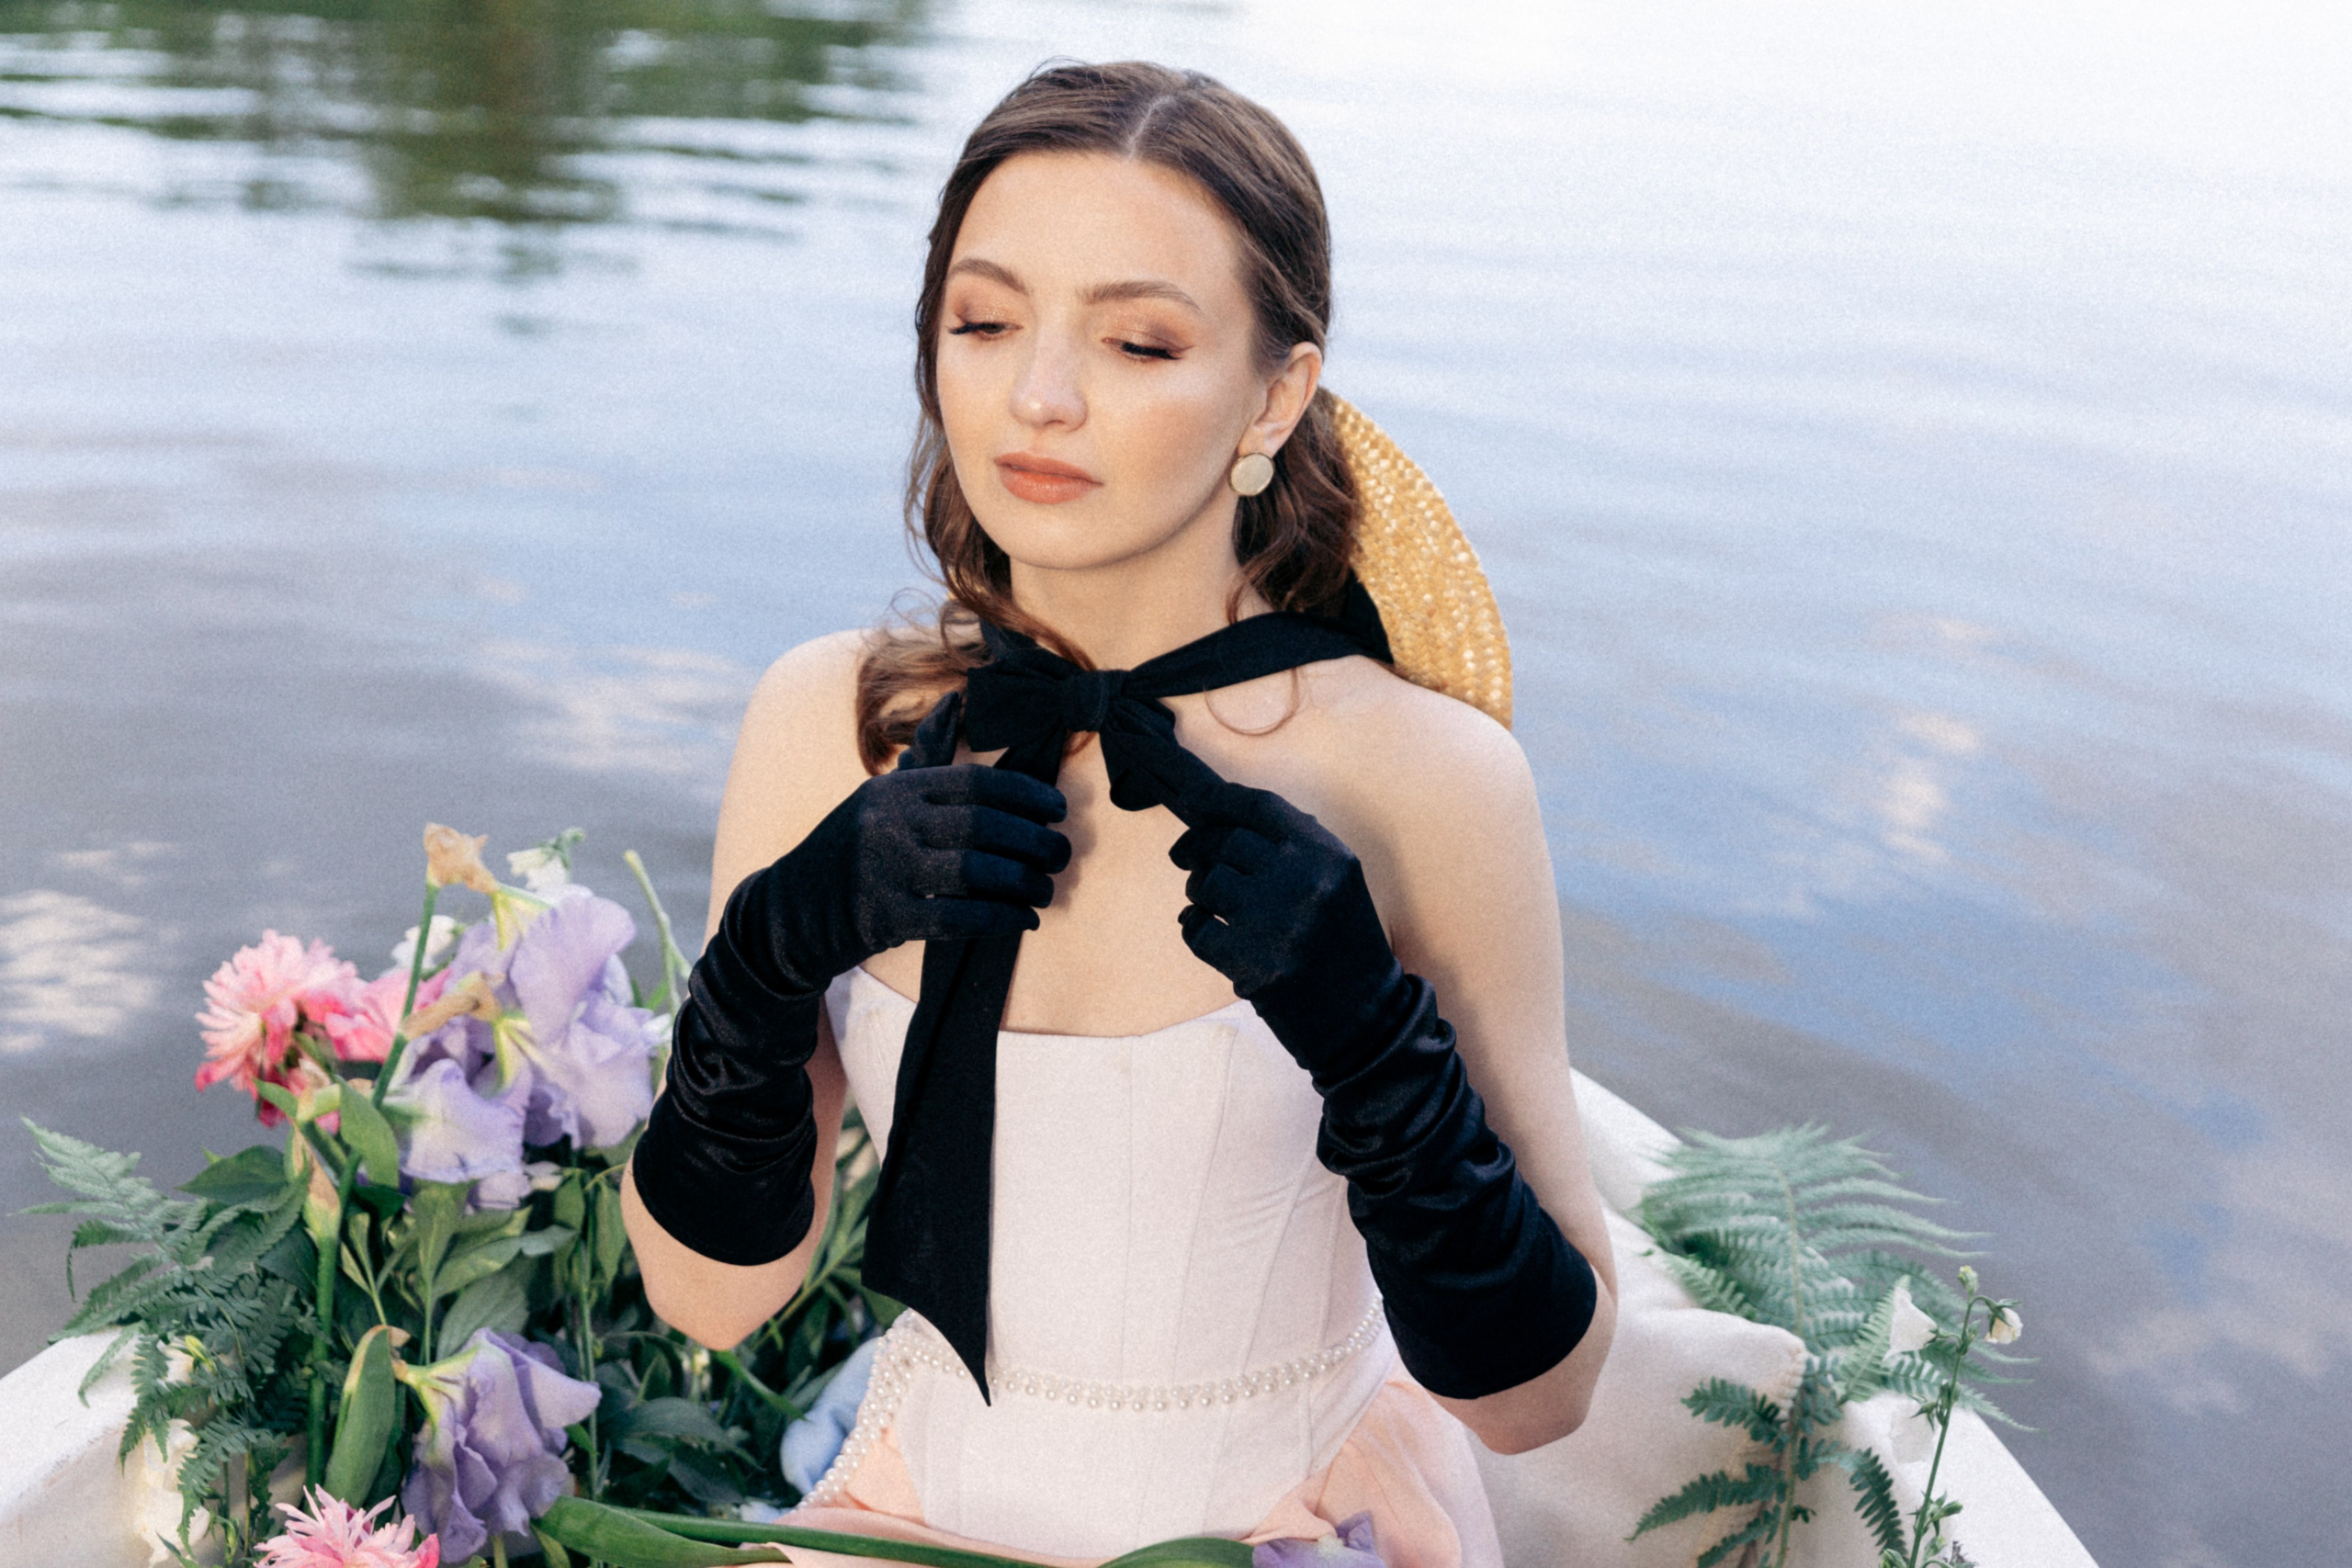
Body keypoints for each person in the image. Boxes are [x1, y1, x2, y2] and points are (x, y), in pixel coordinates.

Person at [619, 60, 1620, 1568]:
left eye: (1139, 341)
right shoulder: (828, 721)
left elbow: (1543, 1400)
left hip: (1295, 1527)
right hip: (910, 1525)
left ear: (1275, 395)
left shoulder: (1428, 777)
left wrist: (1372, 1039)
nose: (1040, 395)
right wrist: (768, 957)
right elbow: (709, 1298)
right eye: (985, 322)